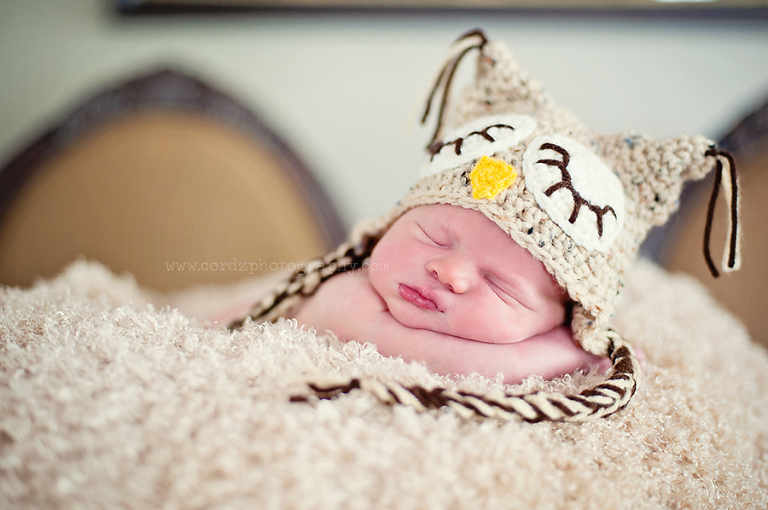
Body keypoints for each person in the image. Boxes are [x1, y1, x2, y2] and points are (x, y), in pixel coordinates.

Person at [287, 204, 608, 384]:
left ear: (558, 321)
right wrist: (574, 353)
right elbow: (473, 367)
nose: (449, 272)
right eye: (434, 238)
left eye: (498, 284)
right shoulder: (348, 296)